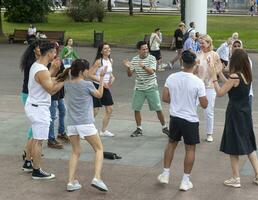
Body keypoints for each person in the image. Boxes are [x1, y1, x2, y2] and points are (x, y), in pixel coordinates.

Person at [157, 50, 208, 191]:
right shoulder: (198, 82)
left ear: (182, 62)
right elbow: (205, 104)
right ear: (195, 64)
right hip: (190, 119)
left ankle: (165, 174)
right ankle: (185, 181)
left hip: (175, 117)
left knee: (171, 144)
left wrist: (178, 101)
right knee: (190, 148)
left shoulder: (172, 77)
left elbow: (165, 98)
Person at [56, 59, 108, 192]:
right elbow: (100, 94)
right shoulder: (88, 84)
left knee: (75, 151)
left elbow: (67, 78)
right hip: (85, 122)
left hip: (72, 124)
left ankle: (70, 182)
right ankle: (97, 177)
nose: (88, 72)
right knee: (99, 149)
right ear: (81, 71)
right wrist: (101, 78)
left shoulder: (67, 84)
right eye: (87, 70)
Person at [210, 48, 258, 188]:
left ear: (235, 61)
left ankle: (236, 178)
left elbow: (220, 92)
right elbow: (230, 85)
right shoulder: (245, 75)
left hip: (235, 114)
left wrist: (214, 77)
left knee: (233, 144)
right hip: (244, 113)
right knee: (248, 144)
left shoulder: (235, 76)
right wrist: (219, 73)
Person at [24, 41, 65, 179]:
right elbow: (51, 89)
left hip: (34, 105)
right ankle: (37, 170)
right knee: (39, 140)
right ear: (49, 53)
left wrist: (54, 72)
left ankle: (28, 163)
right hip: (39, 109)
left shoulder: (38, 65)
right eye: (54, 52)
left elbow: (46, 78)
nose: (56, 54)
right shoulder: (41, 70)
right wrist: (64, 79)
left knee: (35, 137)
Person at [123, 41, 169, 137]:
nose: (146, 51)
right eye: (143, 49)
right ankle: (139, 129)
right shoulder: (134, 59)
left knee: (158, 108)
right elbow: (129, 75)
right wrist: (128, 67)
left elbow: (152, 72)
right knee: (136, 108)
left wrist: (143, 66)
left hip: (151, 86)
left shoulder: (152, 58)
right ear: (139, 50)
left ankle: (164, 127)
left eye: (147, 49)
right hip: (139, 87)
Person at [196, 34, 222, 142]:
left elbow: (219, 70)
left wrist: (212, 67)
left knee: (208, 111)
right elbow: (194, 71)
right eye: (200, 43)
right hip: (198, 86)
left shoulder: (214, 55)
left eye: (203, 43)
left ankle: (209, 133)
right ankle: (193, 131)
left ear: (208, 43)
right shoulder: (197, 55)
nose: (201, 45)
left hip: (210, 86)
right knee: (193, 108)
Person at [20, 40, 41, 171]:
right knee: (35, 126)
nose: (41, 50)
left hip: (30, 94)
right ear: (34, 49)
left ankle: (30, 153)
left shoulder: (36, 60)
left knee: (34, 126)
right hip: (29, 95)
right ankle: (28, 154)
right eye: (39, 48)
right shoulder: (32, 63)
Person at [90, 43, 115, 137]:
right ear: (101, 51)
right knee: (95, 110)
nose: (108, 49)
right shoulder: (98, 62)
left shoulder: (110, 60)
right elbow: (90, 74)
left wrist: (112, 78)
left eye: (108, 48)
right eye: (105, 48)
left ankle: (103, 131)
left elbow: (109, 73)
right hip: (97, 86)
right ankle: (85, 130)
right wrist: (102, 82)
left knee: (110, 109)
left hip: (105, 88)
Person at [47, 42, 69, 149]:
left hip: (60, 91)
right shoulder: (47, 63)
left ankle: (61, 132)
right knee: (52, 115)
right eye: (53, 50)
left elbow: (62, 73)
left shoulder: (58, 60)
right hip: (52, 93)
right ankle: (50, 139)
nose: (55, 52)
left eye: (56, 50)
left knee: (63, 110)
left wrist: (65, 72)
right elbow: (48, 78)